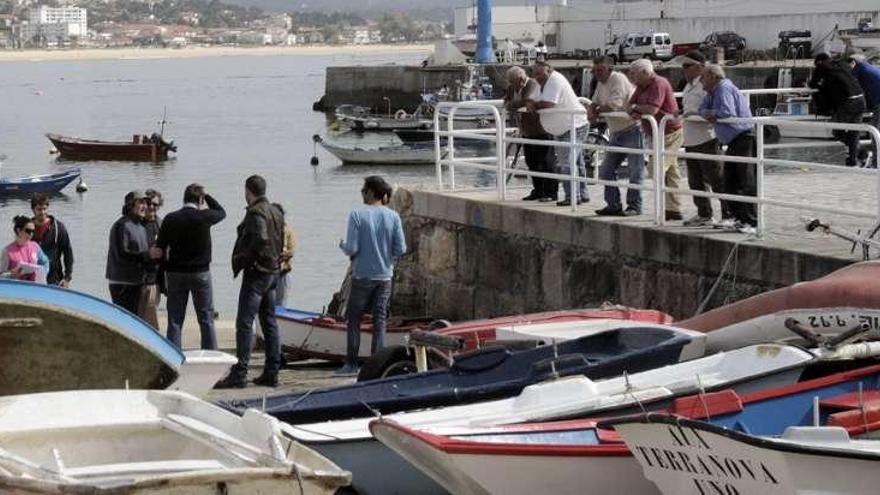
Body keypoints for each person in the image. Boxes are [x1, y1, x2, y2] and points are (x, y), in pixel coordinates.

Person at [216, 175, 284, 389]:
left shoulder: (256, 212)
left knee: (244, 323)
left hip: (258, 273)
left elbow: (260, 239)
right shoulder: (276, 211)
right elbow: (279, 239)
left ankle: (240, 374)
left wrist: (246, 260)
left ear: (248, 191)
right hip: (273, 272)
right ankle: (272, 372)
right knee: (269, 322)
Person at [335, 176, 406, 377]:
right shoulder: (393, 217)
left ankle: (351, 363)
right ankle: (378, 364)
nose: (361, 195)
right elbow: (401, 248)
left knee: (354, 319)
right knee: (380, 320)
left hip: (362, 275)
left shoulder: (357, 215)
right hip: (385, 276)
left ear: (369, 192)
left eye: (362, 191)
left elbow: (353, 248)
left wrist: (342, 245)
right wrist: (386, 256)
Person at [151, 184, 226, 349]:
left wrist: (163, 267)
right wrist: (207, 196)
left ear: (183, 198)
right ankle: (210, 354)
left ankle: (173, 356)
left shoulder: (171, 218)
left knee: (175, 319)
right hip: (201, 273)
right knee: (206, 318)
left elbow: (160, 248)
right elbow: (221, 212)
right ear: (200, 200)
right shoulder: (204, 216)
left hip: (175, 273)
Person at [700, 63, 757, 234]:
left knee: (745, 180)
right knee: (730, 180)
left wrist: (712, 114)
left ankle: (751, 221)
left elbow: (727, 112)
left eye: (703, 77)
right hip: (733, 140)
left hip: (743, 137)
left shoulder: (723, 88)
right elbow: (701, 109)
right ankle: (738, 218)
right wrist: (709, 113)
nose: (701, 81)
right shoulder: (712, 92)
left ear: (713, 76)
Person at [627, 58, 683, 221]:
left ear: (646, 72)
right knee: (671, 171)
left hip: (669, 132)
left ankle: (663, 209)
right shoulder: (641, 86)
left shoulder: (659, 83)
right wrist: (635, 109)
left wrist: (636, 109)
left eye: (634, 74)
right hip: (655, 132)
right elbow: (628, 105)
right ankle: (674, 209)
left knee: (656, 168)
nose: (632, 77)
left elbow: (652, 109)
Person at [528, 60, 590, 206]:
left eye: (541, 73)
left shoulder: (555, 80)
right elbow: (531, 98)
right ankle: (582, 193)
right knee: (576, 161)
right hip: (561, 127)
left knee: (566, 162)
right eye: (535, 74)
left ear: (549, 71)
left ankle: (572, 196)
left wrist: (534, 105)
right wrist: (531, 102)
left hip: (574, 125)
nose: (538, 77)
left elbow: (549, 103)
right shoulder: (539, 82)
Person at [590, 55, 644, 216]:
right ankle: (613, 204)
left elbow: (615, 105)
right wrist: (592, 109)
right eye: (595, 70)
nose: (597, 73)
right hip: (616, 131)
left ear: (610, 69)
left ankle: (635, 206)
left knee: (635, 171)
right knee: (606, 170)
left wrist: (597, 110)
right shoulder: (601, 83)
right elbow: (595, 101)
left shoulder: (618, 79)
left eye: (600, 70)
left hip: (633, 128)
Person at [678, 51, 728, 227]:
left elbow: (712, 110)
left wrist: (695, 114)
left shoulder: (706, 85)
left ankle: (727, 214)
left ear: (700, 67)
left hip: (707, 138)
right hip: (690, 139)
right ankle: (704, 213)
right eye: (682, 66)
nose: (683, 70)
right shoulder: (687, 85)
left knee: (717, 179)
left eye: (687, 66)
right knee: (695, 180)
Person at [504, 66, 557, 202]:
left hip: (541, 129)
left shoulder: (532, 84)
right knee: (531, 162)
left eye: (513, 81)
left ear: (520, 79)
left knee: (546, 161)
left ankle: (550, 192)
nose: (512, 85)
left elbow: (528, 101)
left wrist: (514, 104)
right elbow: (507, 102)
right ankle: (538, 190)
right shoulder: (511, 88)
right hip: (526, 130)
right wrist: (513, 104)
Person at [810, 53, 867, 167]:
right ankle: (853, 160)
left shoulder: (822, 67)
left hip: (847, 102)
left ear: (818, 62)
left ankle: (860, 153)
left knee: (837, 131)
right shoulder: (842, 63)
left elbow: (812, 84)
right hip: (861, 99)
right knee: (854, 132)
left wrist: (820, 86)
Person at [106, 191, 150, 314]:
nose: (145, 206)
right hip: (122, 283)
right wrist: (146, 256)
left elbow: (144, 255)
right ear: (130, 205)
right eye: (141, 202)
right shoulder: (122, 225)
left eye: (145, 203)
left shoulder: (141, 227)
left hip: (138, 282)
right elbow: (122, 254)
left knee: (137, 319)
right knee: (125, 320)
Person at [30, 193, 73, 286]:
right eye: (39, 209)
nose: (42, 212)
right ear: (33, 210)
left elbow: (68, 253)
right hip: (31, 280)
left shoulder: (59, 228)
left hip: (55, 279)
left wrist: (67, 278)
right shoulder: (27, 229)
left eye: (45, 209)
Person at [849, 54, 880, 167]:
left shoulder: (859, 69)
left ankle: (876, 164)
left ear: (854, 62)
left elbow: (849, 84)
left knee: (875, 133)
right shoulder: (873, 67)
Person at [138, 189, 163, 329]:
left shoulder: (161, 224)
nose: (152, 207)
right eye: (149, 203)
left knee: (151, 318)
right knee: (141, 318)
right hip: (138, 279)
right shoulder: (137, 224)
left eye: (156, 205)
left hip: (155, 280)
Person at [1, 215, 49, 282]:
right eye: (28, 231)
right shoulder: (7, 251)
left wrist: (42, 274)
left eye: (33, 231)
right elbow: (1, 275)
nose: (31, 234)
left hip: (34, 287)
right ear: (19, 230)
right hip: (16, 289)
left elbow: (45, 263)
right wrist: (11, 275)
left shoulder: (35, 246)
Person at [273, 203, 297, 307]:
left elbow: (291, 252)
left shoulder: (288, 231)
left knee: (281, 306)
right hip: (269, 273)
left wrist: (280, 255)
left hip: (282, 274)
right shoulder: (267, 230)